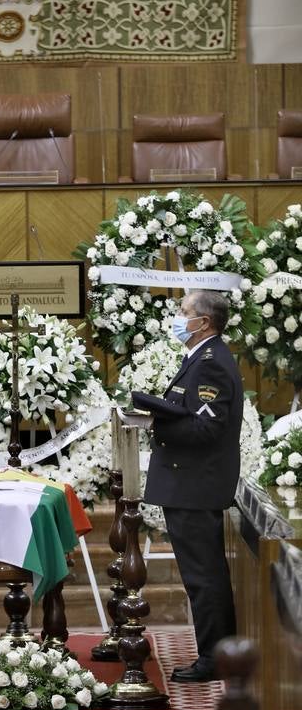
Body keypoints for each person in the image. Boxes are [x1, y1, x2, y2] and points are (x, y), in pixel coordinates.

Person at [132, 289, 242, 683]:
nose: (178, 319)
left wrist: (156, 423)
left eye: (184, 313)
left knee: (204, 577)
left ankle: (215, 659)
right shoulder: (201, 357)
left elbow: (205, 427)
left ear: (204, 322)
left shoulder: (211, 362)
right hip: (191, 482)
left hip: (196, 484)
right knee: (203, 575)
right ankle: (218, 654)